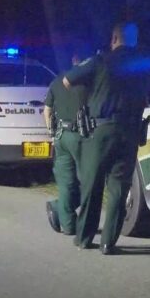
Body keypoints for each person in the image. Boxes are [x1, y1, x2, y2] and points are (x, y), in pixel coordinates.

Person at [63, 22, 149, 255]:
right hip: (130, 131)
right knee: (119, 188)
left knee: (92, 184)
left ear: (114, 39)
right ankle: (108, 243)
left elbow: (67, 81)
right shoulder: (144, 65)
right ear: (135, 41)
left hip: (101, 130)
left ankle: (84, 237)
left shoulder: (100, 61)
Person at [44, 51, 87, 235]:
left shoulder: (56, 81)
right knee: (89, 181)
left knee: (67, 183)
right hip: (81, 136)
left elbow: (47, 110)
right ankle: (62, 211)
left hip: (61, 136)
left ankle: (67, 223)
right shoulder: (87, 82)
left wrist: (51, 133)